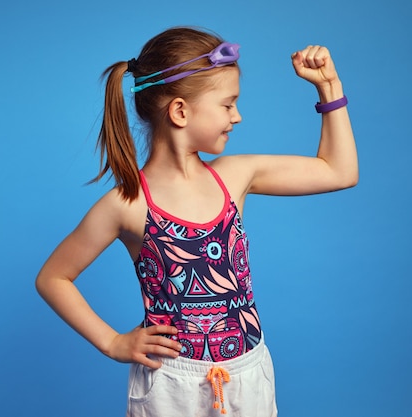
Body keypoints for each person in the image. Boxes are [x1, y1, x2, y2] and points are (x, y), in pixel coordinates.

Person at [36, 26, 357, 417]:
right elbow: (53, 277)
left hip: (248, 374)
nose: (237, 116)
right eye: (227, 104)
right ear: (180, 111)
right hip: (171, 386)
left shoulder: (236, 176)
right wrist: (114, 343)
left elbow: (338, 171)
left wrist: (329, 87)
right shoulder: (128, 203)